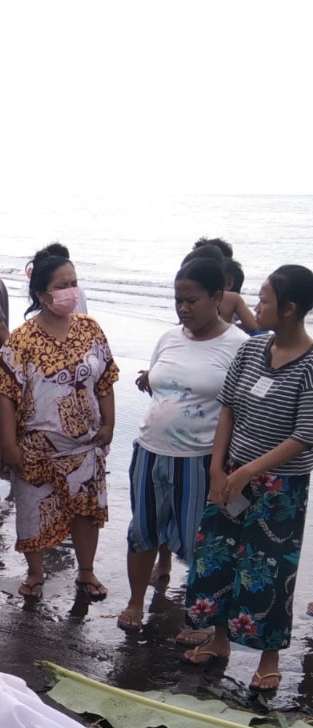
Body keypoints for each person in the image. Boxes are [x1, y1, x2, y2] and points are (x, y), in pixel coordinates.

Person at [182, 264, 313, 693]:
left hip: (280, 490)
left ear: (291, 309)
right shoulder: (251, 351)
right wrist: (218, 467)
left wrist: (249, 471)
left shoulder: (310, 366)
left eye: (265, 300)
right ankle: (219, 641)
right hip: (231, 473)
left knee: (269, 571)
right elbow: (229, 409)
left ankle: (268, 658)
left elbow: (303, 435)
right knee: (216, 558)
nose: (256, 307)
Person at [118, 257, 248, 633]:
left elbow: (237, 410)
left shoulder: (237, 345)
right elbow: (158, 384)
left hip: (199, 458)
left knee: (199, 543)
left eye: (192, 300)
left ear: (217, 297)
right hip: (149, 450)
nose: (183, 308)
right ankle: (135, 601)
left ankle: (200, 616)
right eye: (178, 300)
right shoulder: (169, 337)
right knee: (142, 530)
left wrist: (224, 467)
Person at [0, 246, 118, 600]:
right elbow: (5, 395)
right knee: (33, 512)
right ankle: (35, 573)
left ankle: (86, 572)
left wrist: (109, 423)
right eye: (64, 284)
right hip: (36, 448)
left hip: (85, 445)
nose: (72, 290)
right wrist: (9, 446)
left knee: (86, 512)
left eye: (74, 282)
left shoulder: (90, 329)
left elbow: (105, 379)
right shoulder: (22, 340)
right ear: (44, 294)